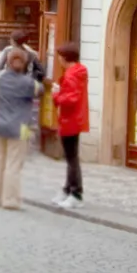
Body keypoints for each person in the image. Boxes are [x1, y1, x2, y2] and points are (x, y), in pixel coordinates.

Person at [0, 47, 41, 210]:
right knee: (14, 164)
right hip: (21, 127)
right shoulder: (28, 83)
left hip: (0, 124)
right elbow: (41, 90)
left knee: (0, 162)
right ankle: (10, 199)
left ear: (8, 62)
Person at [51, 42, 89, 209]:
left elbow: (70, 99)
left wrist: (56, 96)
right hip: (76, 119)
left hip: (69, 120)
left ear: (65, 58)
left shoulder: (71, 75)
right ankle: (67, 189)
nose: (58, 59)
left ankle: (76, 193)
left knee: (71, 158)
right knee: (71, 157)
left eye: (59, 56)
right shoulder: (78, 71)